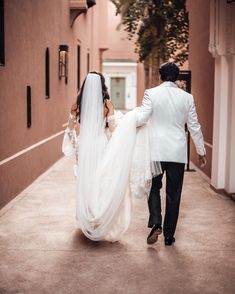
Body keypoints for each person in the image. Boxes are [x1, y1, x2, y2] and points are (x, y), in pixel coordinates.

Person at [62, 72, 160, 242]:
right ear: (102, 85)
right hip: (101, 146)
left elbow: (70, 129)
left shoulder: (77, 105)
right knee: (101, 181)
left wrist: (76, 145)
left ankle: (87, 217)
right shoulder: (106, 104)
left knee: (85, 180)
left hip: (84, 147)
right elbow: (113, 129)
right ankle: (99, 218)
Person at [136, 62, 206, 246]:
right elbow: (193, 126)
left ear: (160, 76)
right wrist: (201, 150)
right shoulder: (187, 98)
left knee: (153, 187)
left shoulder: (151, 94)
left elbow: (142, 118)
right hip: (177, 152)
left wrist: (128, 124)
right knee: (174, 194)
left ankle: (156, 222)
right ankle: (168, 236)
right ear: (177, 78)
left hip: (156, 151)